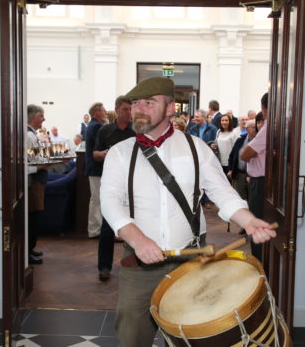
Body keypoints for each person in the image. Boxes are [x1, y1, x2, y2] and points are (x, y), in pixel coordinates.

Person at [100, 77, 276, 347]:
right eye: (135, 103)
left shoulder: (197, 149)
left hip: (192, 261)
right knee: (130, 337)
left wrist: (249, 220)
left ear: (170, 108)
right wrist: (137, 240)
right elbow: (111, 201)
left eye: (149, 102)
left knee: (196, 338)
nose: (139, 109)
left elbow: (223, 193)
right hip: (140, 264)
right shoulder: (120, 153)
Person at [93, 96, 135, 281]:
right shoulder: (105, 130)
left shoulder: (137, 131)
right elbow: (94, 154)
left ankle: (137, 264)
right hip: (112, 184)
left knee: (137, 224)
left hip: (135, 183)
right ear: (117, 110)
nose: (129, 112)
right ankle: (104, 267)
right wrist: (104, 154)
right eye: (126, 109)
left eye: (131, 109)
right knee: (107, 227)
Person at [240, 93, 268, 262]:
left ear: (264, 108)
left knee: (256, 224)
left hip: (261, 182)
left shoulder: (268, 127)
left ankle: (259, 263)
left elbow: (245, 154)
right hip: (262, 180)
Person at [27, 104, 49, 265]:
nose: (43, 119)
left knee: (35, 217)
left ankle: (30, 248)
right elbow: (30, 162)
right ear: (33, 117)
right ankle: (27, 252)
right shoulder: (29, 136)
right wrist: (45, 164)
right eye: (41, 116)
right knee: (32, 218)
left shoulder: (32, 135)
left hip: (37, 180)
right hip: (33, 181)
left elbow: (34, 157)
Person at [85, 102, 107, 238]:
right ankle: (94, 230)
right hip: (96, 167)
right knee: (97, 199)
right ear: (96, 112)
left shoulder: (92, 125)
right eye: (103, 110)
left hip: (94, 168)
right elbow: (101, 145)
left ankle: (95, 229)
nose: (105, 112)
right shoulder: (96, 126)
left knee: (96, 199)